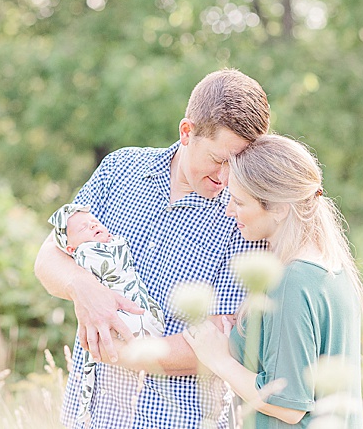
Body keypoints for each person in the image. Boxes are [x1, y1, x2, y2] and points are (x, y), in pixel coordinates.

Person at [34, 68, 271, 429]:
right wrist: (83, 288)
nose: (226, 178)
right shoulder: (119, 169)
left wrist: (120, 353)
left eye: (238, 164)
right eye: (219, 160)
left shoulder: (246, 217)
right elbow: (49, 257)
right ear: (187, 132)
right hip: (90, 417)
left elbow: (223, 342)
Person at [183, 134, 363, 429]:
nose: (230, 211)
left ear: (279, 207)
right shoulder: (331, 269)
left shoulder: (291, 281)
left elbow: (287, 404)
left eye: (239, 201)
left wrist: (217, 358)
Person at [47, 202, 166, 425]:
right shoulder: (84, 254)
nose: (93, 226)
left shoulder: (112, 241)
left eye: (95, 222)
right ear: (71, 249)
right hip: (119, 318)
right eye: (84, 229)